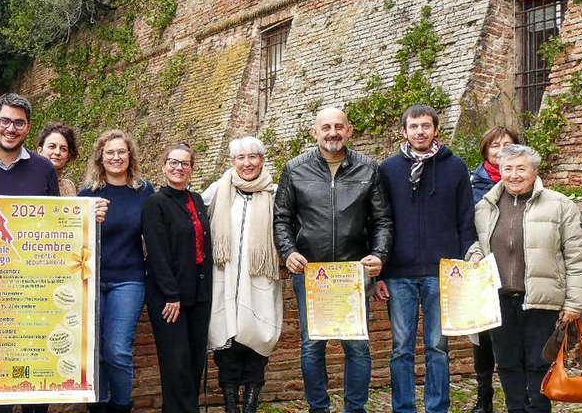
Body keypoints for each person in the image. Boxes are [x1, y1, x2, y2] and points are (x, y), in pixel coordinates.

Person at [0, 93, 106, 413]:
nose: (11, 128)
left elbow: (57, 225)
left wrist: (89, 215)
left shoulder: (43, 168)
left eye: (18, 122)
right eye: (5, 121)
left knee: (5, 394)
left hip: (24, 292)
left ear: (28, 128)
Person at [273, 107, 393, 413]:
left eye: (339, 126)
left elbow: (382, 220)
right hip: (311, 271)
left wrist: (379, 256)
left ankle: (355, 408)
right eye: (326, 127)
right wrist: (288, 252)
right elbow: (281, 219)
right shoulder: (295, 169)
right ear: (314, 132)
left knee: (358, 346)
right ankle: (318, 408)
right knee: (313, 346)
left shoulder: (369, 169)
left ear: (349, 130)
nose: (333, 133)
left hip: (354, 272)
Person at [469, 144, 582, 413]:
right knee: (508, 363)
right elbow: (476, 242)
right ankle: (515, 409)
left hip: (541, 299)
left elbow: (577, 257)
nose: (514, 175)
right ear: (499, 171)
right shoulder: (485, 206)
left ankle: (538, 409)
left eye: (521, 168)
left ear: (534, 171)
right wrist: (475, 253)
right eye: (508, 168)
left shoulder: (560, 205)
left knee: (539, 363)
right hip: (498, 299)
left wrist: (574, 303)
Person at [375, 104, 475, 413]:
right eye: (414, 126)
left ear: (435, 130)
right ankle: (403, 407)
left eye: (426, 126)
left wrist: (465, 264)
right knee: (401, 349)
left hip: (441, 272)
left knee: (438, 347)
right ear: (403, 131)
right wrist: (379, 272)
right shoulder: (387, 169)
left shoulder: (456, 167)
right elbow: (378, 220)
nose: (420, 131)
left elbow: (466, 219)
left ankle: (437, 407)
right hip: (397, 272)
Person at [203, 136, 281, 413]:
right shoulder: (217, 191)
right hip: (223, 275)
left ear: (262, 159)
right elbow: (194, 224)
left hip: (260, 276)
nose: (247, 163)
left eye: (252, 157)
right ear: (232, 161)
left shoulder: (275, 192)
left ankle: (250, 404)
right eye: (240, 158)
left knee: (258, 340)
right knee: (226, 343)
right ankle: (230, 405)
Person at [78, 129, 153, 413]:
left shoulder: (144, 191)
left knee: (118, 351)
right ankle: (98, 406)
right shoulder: (88, 195)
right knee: (94, 351)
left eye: (122, 152)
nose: (116, 157)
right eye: (110, 152)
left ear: (130, 155)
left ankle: (121, 406)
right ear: (100, 158)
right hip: (91, 281)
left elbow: (157, 234)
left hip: (129, 280)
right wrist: (90, 217)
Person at [141, 143, 212, 413]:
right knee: (176, 363)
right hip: (169, 296)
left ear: (192, 169)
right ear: (164, 166)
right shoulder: (155, 204)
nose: (179, 167)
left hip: (198, 292)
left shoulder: (196, 200)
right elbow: (157, 253)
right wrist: (171, 295)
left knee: (194, 361)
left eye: (185, 163)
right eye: (173, 162)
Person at [468, 126, 523, 413]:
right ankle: (484, 395)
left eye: (508, 145)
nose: (501, 150)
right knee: (484, 338)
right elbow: (466, 227)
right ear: (485, 150)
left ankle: (522, 394)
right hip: (483, 270)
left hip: (516, 270)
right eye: (495, 146)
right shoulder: (472, 184)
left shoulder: (526, 181)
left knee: (518, 336)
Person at [38, 121, 80, 196]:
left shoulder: (69, 187)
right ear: (39, 151)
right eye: (52, 146)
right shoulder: (28, 182)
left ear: (68, 156)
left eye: (63, 149)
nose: (57, 152)